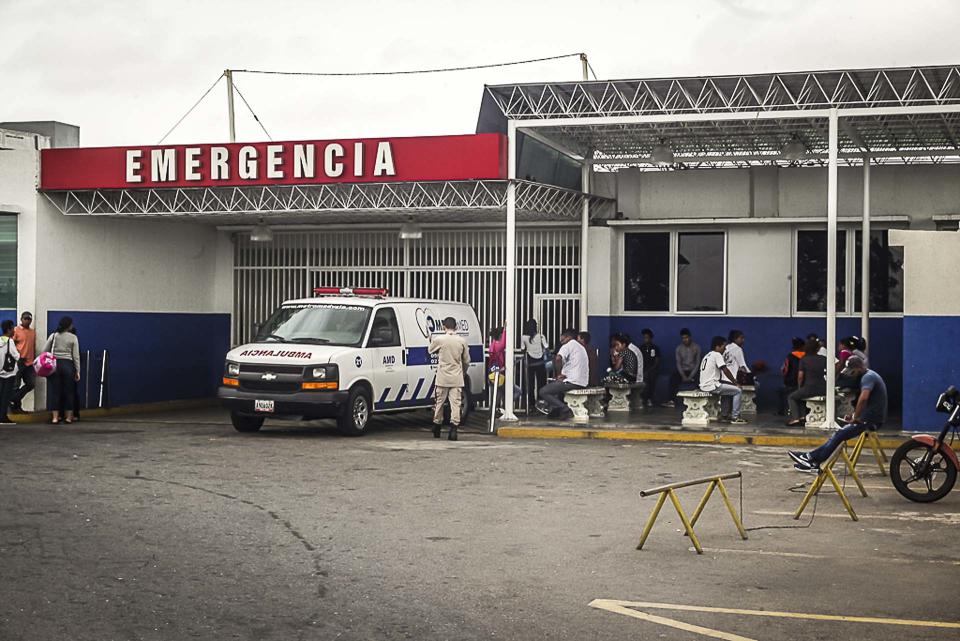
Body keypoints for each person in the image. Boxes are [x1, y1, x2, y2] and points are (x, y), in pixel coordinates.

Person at [789, 356, 887, 472]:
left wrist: (856, 417)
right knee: (839, 434)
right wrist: (855, 415)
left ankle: (812, 459)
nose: (852, 375)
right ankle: (811, 458)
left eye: (853, 372)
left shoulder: (868, 378)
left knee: (839, 435)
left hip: (871, 420)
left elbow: (864, 398)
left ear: (859, 368)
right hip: (869, 417)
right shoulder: (869, 375)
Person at [428, 316, 471, 441]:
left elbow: (430, 350)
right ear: (456, 327)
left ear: (443, 327)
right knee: (456, 404)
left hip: (442, 377)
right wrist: (462, 372)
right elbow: (467, 360)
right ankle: (453, 429)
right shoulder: (462, 341)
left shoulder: (440, 340)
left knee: (439, 402)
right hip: (456, 377)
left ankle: (437, 426)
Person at [537, 328, 589, 419]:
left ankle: (565, 409)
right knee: (556, 388)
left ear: (567, 336)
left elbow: (558, 358)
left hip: (572, 381)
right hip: (583, 382)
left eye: (562, 337)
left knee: (543, 391)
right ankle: (557, 411)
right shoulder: (580, 347)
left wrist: (559, 374)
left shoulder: (568, 345)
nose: (560, 339)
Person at [699, 336, 747, 424]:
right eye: (723, 347)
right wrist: (735, 382)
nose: (725, 349)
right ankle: (735, 417)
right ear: (717, 346)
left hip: (704, 385)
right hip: (711, 386)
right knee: (738, 390)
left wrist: (731, 383)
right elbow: (725, 370)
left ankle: (724, 415)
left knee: (728, 390)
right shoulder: (717, 355)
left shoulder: (708, 355)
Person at [43, 316, 81, 425]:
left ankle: (55, 418)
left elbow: (44, 351)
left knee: (55, 392)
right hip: (68, 365)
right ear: (69, 326)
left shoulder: (53, 336)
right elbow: (76, 356)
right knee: (69, 392)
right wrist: (77, 370)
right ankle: (68, 417)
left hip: (54, 365)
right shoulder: (73, 337)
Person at [786, 338, 827, 426]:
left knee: (792, 397)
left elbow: (800, 376)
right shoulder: (824, 359)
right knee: (799, 396)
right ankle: (803, 417)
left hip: (810, 387)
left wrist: (799, 387)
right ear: (818, 349)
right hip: (823, 388)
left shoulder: (804, 360)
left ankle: (795, 418)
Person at [666, 328, 700, 408]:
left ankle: (699, 400)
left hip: (693, 371)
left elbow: (697, 363)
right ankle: (671, 401)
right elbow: (678, 363)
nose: (685, 340)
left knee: (700, 379)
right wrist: (683, 376)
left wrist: (691, 376)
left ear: (690, 337)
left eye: (687, 337)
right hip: (683, 371)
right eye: (683, 338)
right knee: (673, 379)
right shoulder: (679, 349)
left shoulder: (697, 347)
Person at [10, 311, 36, 413]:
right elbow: (11, 344)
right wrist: (17, 357)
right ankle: (16, 408)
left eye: (29, 319)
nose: (27, 321)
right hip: (19, 362)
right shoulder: (16, 330)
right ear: (21, 319)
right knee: (15, 385)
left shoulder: (32, 332)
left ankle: (14, 399)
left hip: (30, 363)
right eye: (25, 318)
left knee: (31, 384)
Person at [521, 319, 550, 409]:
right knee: (541, 383)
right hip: (540, 362)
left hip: (530, 362)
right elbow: (546, 347)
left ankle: (531, 404)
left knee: (530, 384)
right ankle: (541, 403)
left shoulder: (524, 337)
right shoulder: (541, 336)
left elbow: (522, 349)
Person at [778, 337, 806, 415]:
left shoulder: (790, 356)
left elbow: (784, 370)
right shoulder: (806, 356)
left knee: (783, 393)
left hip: (791, 383)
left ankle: (784, 411)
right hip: (805, 383)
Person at [0, 320, 20, 424]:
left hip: (0, 373)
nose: (14, 331)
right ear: (8, 329)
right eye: (12, 328)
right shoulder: (10, 341)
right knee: (6, 396)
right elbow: (16, 356)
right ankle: (3, 417)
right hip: (9, 373)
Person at [638, 329, 661, 407]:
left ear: (651, 338)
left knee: (650, 377)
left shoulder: (655, 348)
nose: (646, 339)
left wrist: (649, 370)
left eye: (647, 338)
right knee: (643, 377)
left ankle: (649, 398)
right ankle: (642, 398)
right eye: (644, 338)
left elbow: (657, 362)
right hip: (643, 369)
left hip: (652, 369)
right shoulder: (641, 348)